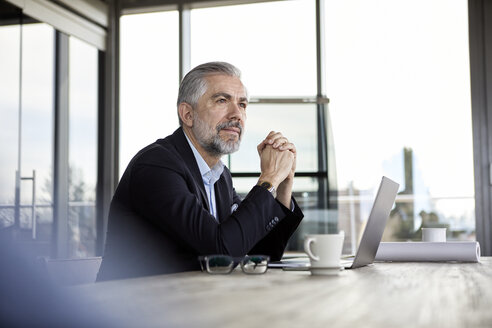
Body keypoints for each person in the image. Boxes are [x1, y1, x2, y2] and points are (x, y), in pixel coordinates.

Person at [97, 62, 304, 281]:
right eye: (222, 100)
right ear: (187, 114)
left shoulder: (220, 176)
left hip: (189, 303)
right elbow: (220, 252)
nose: (237, 114)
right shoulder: (156, 166)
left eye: (242, 104)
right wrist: (268, 179)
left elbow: (258, 255)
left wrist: (281, 189)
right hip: (129, 308)